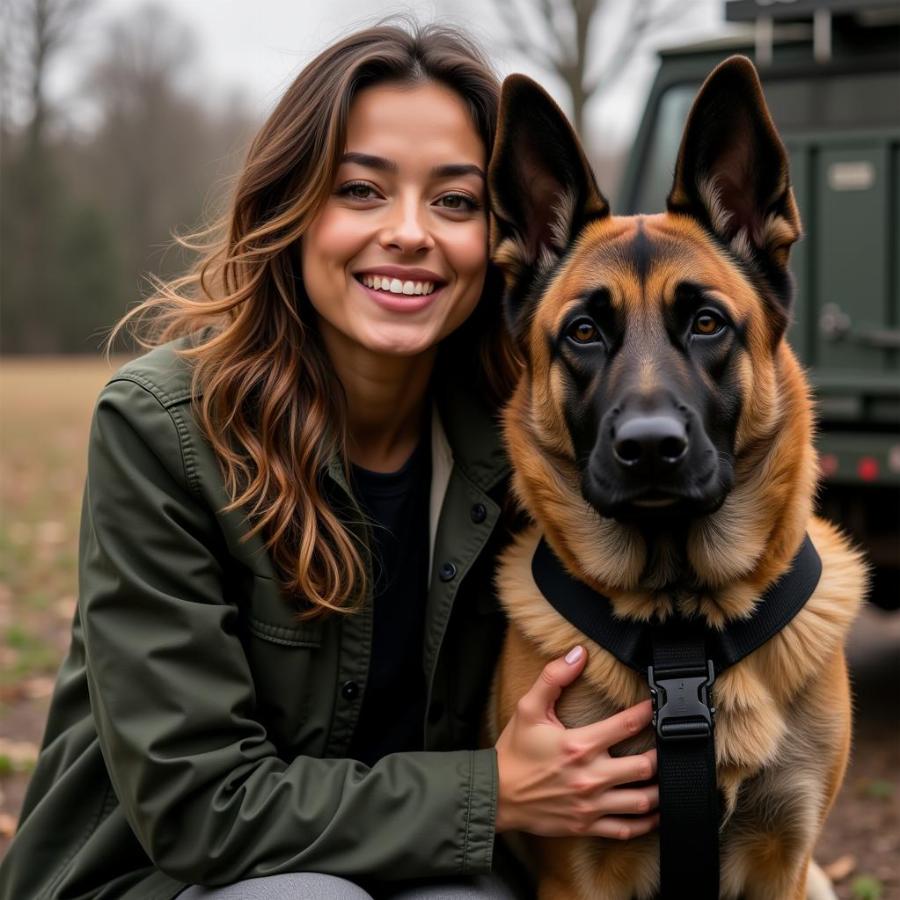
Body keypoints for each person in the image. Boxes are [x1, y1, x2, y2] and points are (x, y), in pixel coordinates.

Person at [0, 22, 658, 900]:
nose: (410, 233)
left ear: (505, 245)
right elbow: (202, 809)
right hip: (158, 876)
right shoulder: (162, 429)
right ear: (295, 206)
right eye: (361, 190)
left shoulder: (526, 448)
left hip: (411, 862)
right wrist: (491, 793)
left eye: (457, 202)